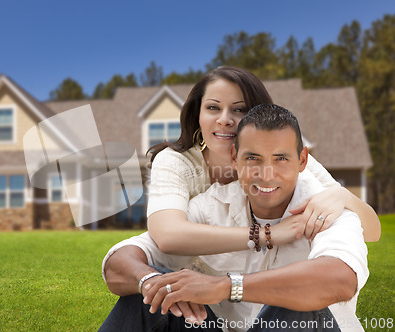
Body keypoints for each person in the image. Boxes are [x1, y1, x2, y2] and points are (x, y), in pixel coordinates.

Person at [100, 104, 368, 331]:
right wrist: (149, 281)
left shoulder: (327, 208)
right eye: (253, 158)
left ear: (302, 160)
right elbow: (120, 262)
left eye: (281, 159)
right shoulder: (211, 206)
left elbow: (340, 279)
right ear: (234, 158)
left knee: (300, 305)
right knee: (148, 298)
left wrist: (226, 287)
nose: (266, 174)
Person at [145, 66, 380, 257]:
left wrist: (342, 196)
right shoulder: (177, 163)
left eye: (238, 110)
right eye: (213, 108)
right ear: (198, 114)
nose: (224, 120)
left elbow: (372, 231)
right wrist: (269, 234)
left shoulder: (286, 159)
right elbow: (167, 235)